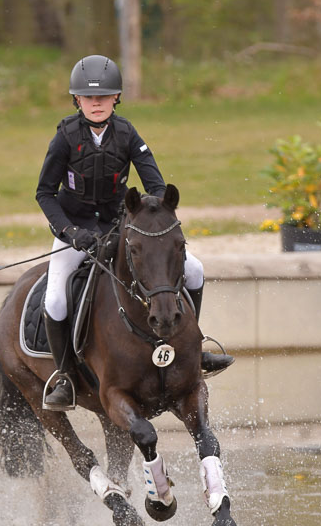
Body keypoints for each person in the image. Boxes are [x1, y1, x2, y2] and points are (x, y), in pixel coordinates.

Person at [36, 54, 233, 411]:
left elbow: (155, 183)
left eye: (104, 97)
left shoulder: (127, 134)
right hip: (76, 232)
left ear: (116, 99)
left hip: (120, 228)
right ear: (77, 100)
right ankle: (64, 376)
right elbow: (45, 193)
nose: (97, 104)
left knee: (194, 270)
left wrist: (148, 219)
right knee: (55, 300)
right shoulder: (65, 137)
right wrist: (68, 231)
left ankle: (195, 348)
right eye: (89, 98)